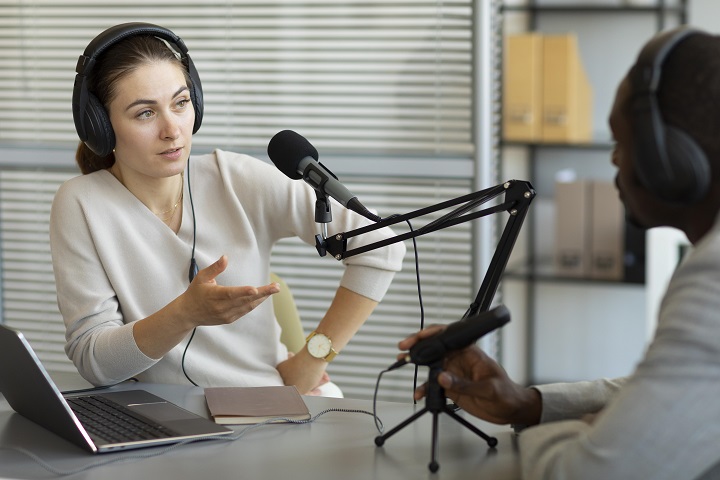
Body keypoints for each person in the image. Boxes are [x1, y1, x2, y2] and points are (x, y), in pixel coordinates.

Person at [399, 26, 720, 479]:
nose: (613, 161)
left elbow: (586, 473)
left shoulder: (713, 276)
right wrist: (529, 404)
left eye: (621, 143)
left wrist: (586, 434)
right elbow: (669, 390)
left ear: (669, 162)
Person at [50, 22, 405, 396]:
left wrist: (313, 357)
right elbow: (95, 363)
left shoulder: (234, 178)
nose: (173, 130)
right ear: (100, 126)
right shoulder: (81, 203)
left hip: (265, 408)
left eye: (181, 103)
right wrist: (184, 314)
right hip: (159, 424)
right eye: (145, 113)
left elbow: (382, 245)